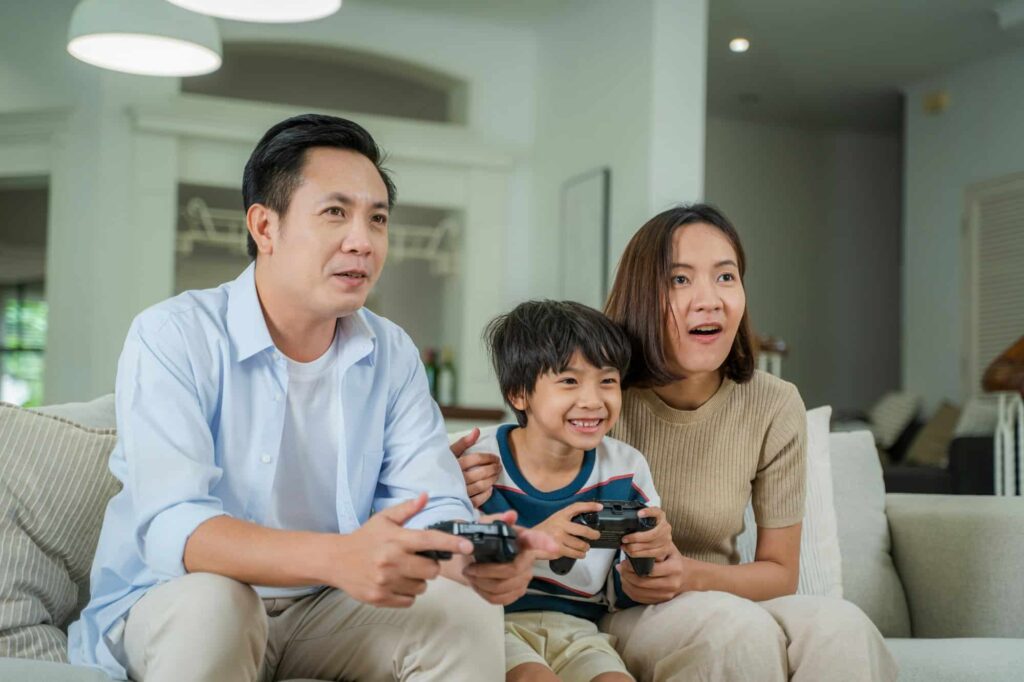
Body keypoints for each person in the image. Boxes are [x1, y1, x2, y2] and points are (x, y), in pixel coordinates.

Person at [68, 113, 554, 682]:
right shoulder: (173, 335)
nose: (362, 241)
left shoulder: (392, 352)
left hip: (327, 607)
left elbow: (434, 505)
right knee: (217, 607)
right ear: (264, 227)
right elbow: (175, 525)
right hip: (176, 598)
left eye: (377, 219)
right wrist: (337, 557)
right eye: (335, 213)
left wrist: (475, 560)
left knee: (462, 609)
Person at [454, 204, 898, 681]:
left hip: (717, 591)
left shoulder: (773, 403)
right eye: (680, 280)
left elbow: (778, 572)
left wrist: (688, 574)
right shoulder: (602, 394)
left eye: (725, 277)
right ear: (642, 295)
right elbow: (528, 460)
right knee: (733, 630)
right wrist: (452, 485)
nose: (709, 299)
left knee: (844, 629)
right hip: (620, 607)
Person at [463, 300, 674, 682]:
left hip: (581, 631)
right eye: (569, 381)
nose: (593, 400)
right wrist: (534, 540)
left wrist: (651, 555)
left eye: (607, 381)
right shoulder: (473, 462)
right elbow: (442, 555)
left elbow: (624, 589)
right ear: (518, 393)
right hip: (491, 623)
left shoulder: (626, 468)